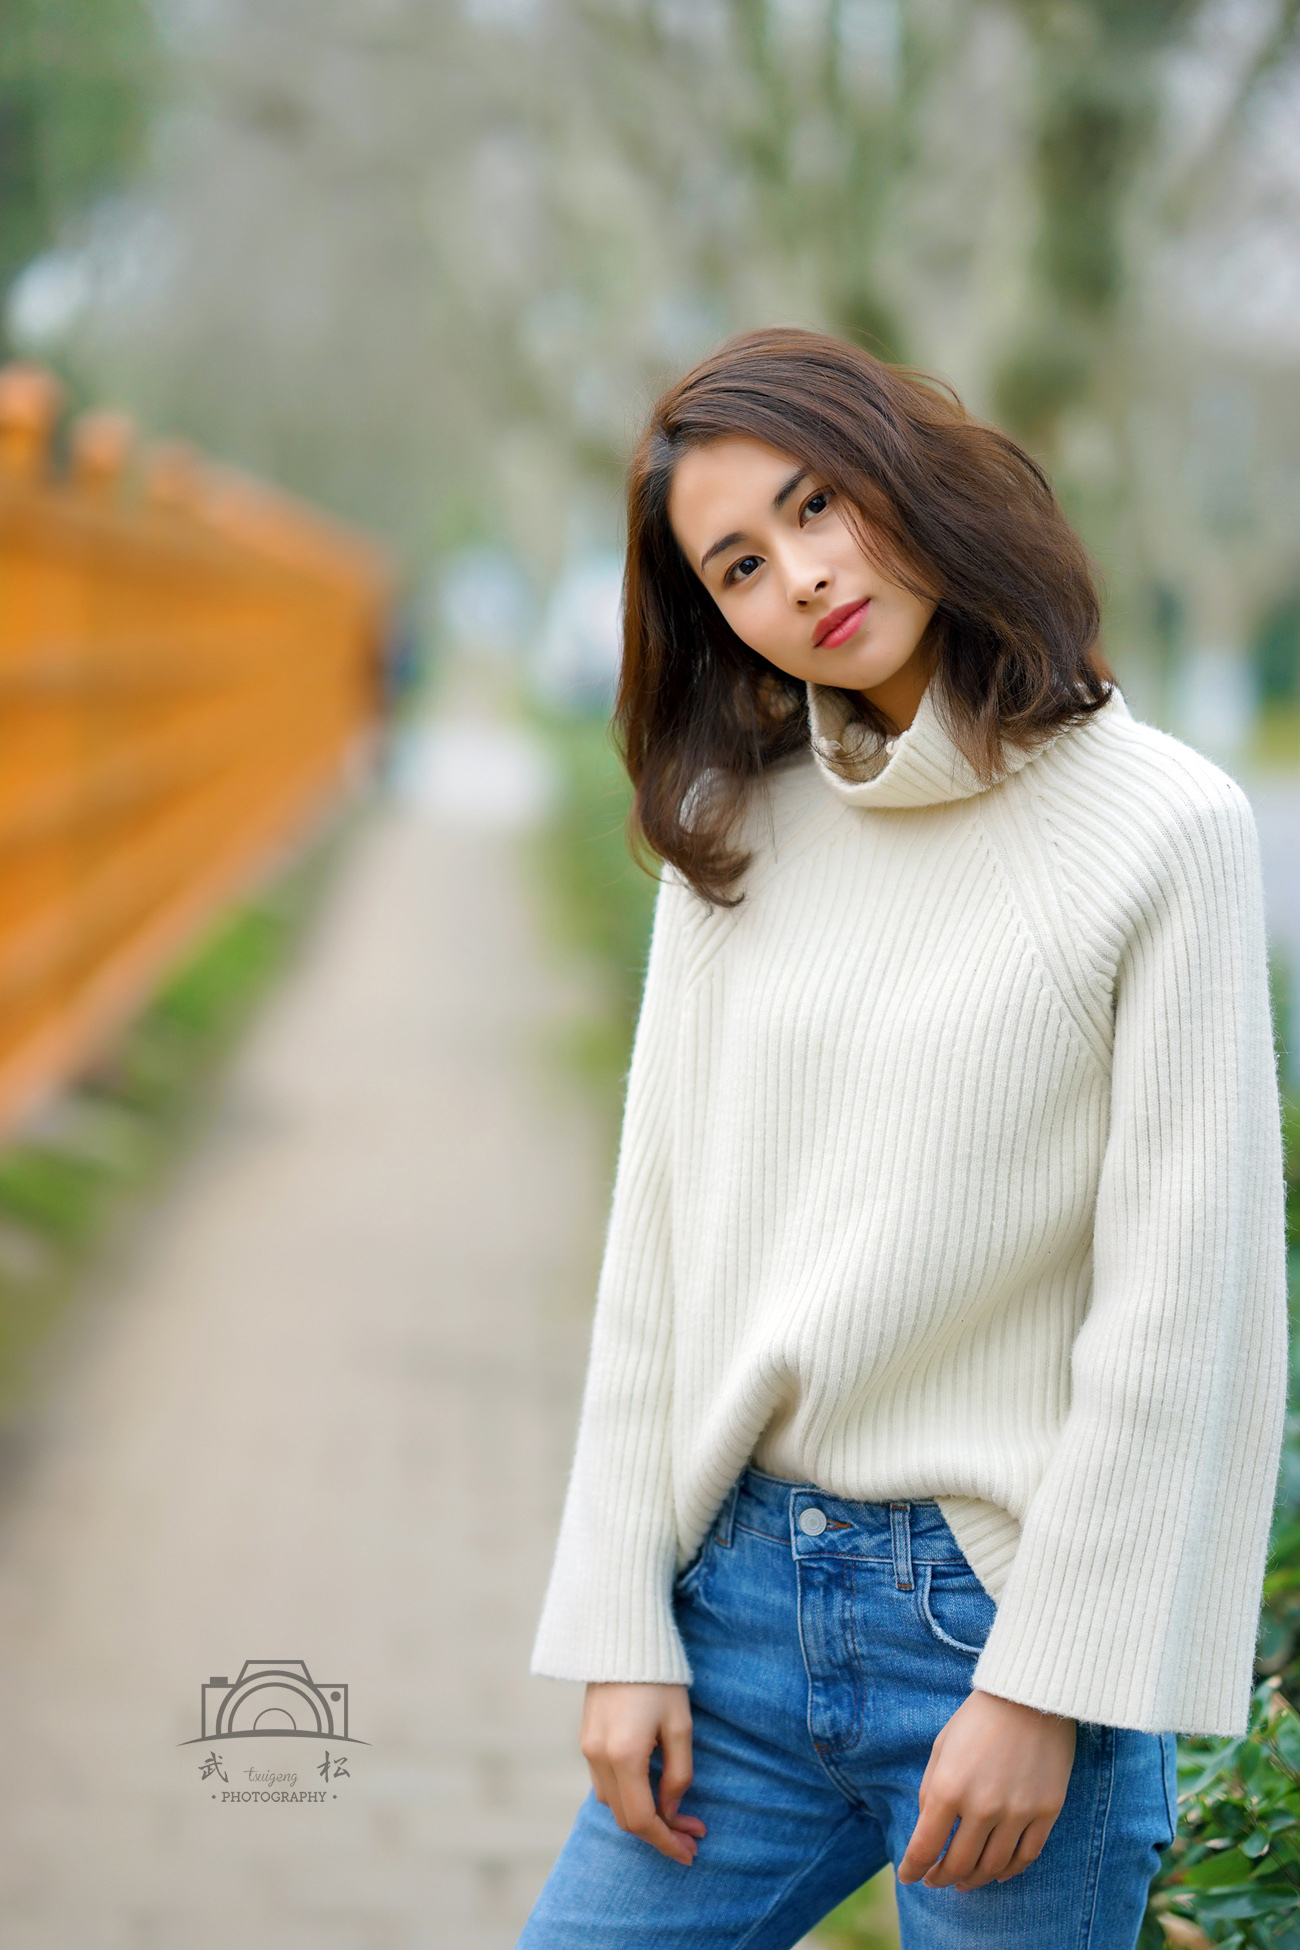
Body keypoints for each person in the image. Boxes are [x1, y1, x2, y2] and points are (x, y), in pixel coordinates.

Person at [518, 328, 1288, 1950]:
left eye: (816, 502)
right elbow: (656, 1251)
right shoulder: (732, 833)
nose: (798, 575)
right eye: (737, 561)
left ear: (903, 472)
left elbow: (1184, 1312)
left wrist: (1049, 1685)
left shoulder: (1166, 831)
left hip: (993, 1627)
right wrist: (618, 1625)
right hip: (728, 1615)